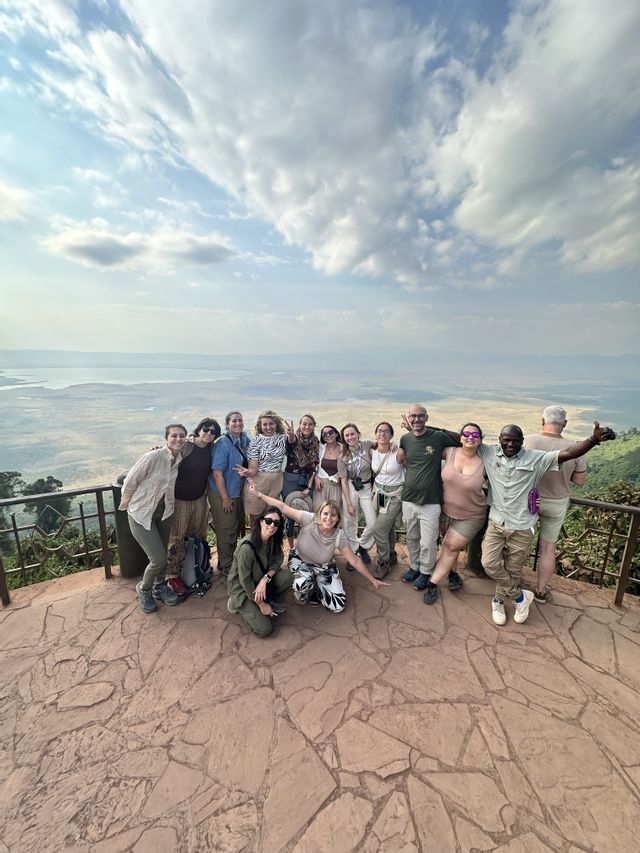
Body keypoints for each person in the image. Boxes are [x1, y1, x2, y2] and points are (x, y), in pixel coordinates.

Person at [478, 420, 615, 626]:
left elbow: (569, 454)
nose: (510, 444)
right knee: (488, 563)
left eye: (515, 441)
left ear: (522, 442)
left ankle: (498, 600)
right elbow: (460, 437)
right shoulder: (488, 452)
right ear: (499, 440)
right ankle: (520, 597)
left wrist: (593, 440)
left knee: (514, 569)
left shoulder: (536, 458)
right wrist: (424, 428)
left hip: (522, 525)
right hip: (496, 522)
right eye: (506, 440)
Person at [247, 479, 389, 612]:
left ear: (338, 518)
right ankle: (308, 588)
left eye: (333, 515)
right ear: (319, 514)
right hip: (301, 561)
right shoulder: (308, 519)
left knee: (338, 605)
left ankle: (318, 589)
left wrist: (372, 580)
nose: (329, 518)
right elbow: (283, 507)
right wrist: (258, 494)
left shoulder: (339, 535)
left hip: (324, 566)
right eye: (326, 514)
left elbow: (355, 560)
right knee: (301, 585)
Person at [119, 424, 186, 613]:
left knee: (162, 553)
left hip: (164, 513)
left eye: (182, 436)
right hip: (141, 513)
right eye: (174, 436)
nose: (178, 439)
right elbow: (130, 481)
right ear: (166, 438)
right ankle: (144, 589)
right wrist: (127, 505)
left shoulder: (178, 457)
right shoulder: (153, 456)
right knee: (158, 558)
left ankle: (159, 586)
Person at [523, 406, 588, 603]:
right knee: (548, 548)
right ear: (565, 424)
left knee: (521, 541)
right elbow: (580, 481)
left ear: (542, 420)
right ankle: (541, 591)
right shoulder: (576, 448)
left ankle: (513, 582)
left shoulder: (528, 441)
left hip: (529, 500)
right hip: (557, 502)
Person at [423, 423, 488, 604]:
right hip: (444, 510)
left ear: (480, 440)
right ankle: (453, 575)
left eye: (475, 435)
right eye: (466, 433)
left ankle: (432, 583)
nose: (470, 437)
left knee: (450, 546)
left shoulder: (487, 462)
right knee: (446, 544)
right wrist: (415, 427)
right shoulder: (449, 452)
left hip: (471, 515)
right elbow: (428, 441)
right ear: (460, 438)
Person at [397, 405, 459, 591]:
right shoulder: (405, 439)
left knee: (428, 541)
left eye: (421, 416)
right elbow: (405, 460)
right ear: (409, 418)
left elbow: (461, 440)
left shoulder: (438, 437)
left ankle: (426, 571)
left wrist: (438, 429)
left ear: (427, 418)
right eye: (413, 416)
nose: (417, 419)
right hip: (408, 498)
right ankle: (414, 566)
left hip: (431, 500)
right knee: (412, 537)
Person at [165, 417, 220, 598]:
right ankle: (172, 574)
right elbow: (169, 452)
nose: (209, 433)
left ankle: (197, 566)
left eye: (213, 431)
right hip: (181, 499)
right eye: (206, 429)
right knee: (177, 537)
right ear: (199, 430)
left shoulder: (211, 449)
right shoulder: (187, 446)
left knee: (199, 535)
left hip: (199, 499)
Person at [226, 505, 293, 638]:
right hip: (244, 589)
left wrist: (265, 579)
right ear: (261, 521)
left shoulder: (272, 539)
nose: (272, 525)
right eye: (268, 521)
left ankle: (271, 601)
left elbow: (277, 560)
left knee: (288, 577)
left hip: (260, 579)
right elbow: (244, 580)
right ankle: (236, 602)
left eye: (276, 523)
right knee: (265, 629)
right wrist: (261, 605)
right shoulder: (247, 548)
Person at [209, 411, 251, 576]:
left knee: (235, 525)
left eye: (240, 420)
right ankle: (227, 566)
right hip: (223, 492)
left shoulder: (243, 440)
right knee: (227, 529)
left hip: (237, 490)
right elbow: (217, 473)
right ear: (227, 425)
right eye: (234, 421)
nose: (238, 423)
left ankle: (228, 560)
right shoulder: (222, 443)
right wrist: (225, 498)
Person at [235, 409, 288, 526]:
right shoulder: (255, 442)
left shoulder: (283, 438)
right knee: (256, 519)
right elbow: (253, 468)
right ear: (260, 426)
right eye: (265, 424)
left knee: (273, 518)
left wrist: (293, 436)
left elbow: (293, 444)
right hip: (258, 482)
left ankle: (270, 544)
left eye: (271, 424)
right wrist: (248, 472)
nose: (268, 427)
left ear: (276, 424)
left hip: (276, 482)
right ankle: (256, 543)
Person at [338, 423, 377, 565]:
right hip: (351, 487)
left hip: (367, 487)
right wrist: (348, 503)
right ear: (344, 438)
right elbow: (343, 480)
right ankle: (352, 552)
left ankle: (363, 546)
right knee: (350, 522)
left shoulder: (367, 445)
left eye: (352, 434)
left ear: (358, 434)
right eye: (347, 435)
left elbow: (383, 446)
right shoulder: (342, 456)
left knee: (373, 522)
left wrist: (395, 447)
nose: (350, 437)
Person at [370, 422, 404, 579]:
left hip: (394, 494)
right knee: (387, 527)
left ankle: (383, 561)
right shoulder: (372, 451)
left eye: (386, 431)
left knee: (379, 529)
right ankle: (391, 554)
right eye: (379, 431)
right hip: (379, 493)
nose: (382, 433)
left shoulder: (398, 453)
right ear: (376, 434)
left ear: (391, 435)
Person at [282, 414, 319, 547]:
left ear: (314, 426)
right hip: (290, 481)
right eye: (304, 424)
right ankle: (292, 548)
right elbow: (292, 441)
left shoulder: (316, 442)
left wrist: (309, 486)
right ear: (300, 425)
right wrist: (291, 435)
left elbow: (314, 466)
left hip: (307, 482)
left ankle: (304, 547)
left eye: (310, 424)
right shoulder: (293, 438)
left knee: (306, 515)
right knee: (290, 516)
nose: (307, 426)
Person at [312, 425, 343, 511]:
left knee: (335, 512)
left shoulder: (344, 449)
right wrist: (316, 477)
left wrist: (340, 475)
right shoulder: (320, 448)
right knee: (318, 511)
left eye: (330, 432)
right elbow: (313, 465)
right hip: (320, 485)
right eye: (325, 434)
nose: (328, 435)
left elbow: (349, 466)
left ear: (336, 434)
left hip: (336, 485)